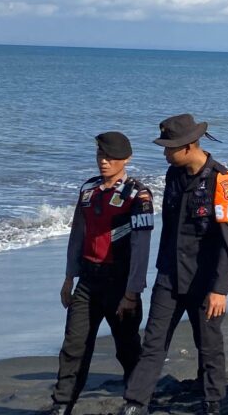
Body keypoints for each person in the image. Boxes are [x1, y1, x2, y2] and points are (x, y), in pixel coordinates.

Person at [119, 114, 228, 415]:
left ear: (187, 146)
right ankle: (135, 404)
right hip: (169, 276)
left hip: (205, 280)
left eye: (168, 148)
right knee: (153, 343)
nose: (164, 153)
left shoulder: (221, 180)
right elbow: (170, 230)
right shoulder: (173, 175)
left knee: (209, 346)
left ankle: (212, 403)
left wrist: (220, 288)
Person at [47, 132, 154, 415]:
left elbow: (141, 247)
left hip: (121, 284)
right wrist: (69, 277)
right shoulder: (88, 190)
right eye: (100, 156)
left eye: (111, 157)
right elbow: (77, 236)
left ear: (127, 159)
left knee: (127, 348)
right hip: (88, 282)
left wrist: (133, 292)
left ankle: (137, 402)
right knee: (73, 346)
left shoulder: (138, 195)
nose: (104, 162)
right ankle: (62, 406)